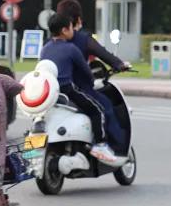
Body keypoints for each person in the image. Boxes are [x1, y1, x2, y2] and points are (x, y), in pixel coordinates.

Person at [40, 13, 127, 166]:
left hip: (49, 92)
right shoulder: (71, 48)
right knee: (98, 110)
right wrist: (91, 81)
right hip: (68, 90)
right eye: (71, 27)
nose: (74, 29)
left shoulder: (45, 48)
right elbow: (86, 71)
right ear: (65, 30)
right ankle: (100, 145)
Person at [54, 0, 132, 72]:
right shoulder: (84, 39)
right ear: (78, 19)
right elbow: (103, 54)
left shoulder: (50, 42)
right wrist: (119, 64)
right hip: (79, 84)